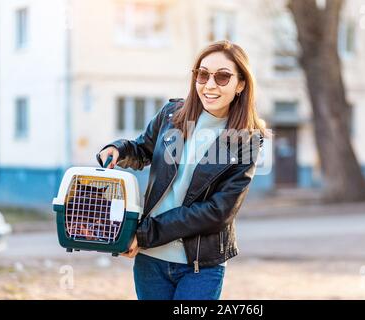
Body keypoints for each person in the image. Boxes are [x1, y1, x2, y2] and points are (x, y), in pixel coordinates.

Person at [97, 40, 268, 300]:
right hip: (150, 261)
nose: (210, 85)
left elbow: (218, 211)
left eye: (222, 77)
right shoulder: (172, 115)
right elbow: (143, 149)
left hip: (201, 266)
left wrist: (144, 235)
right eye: (203, 74)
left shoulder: (247, 140)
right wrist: (120, 149)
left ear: (241, 84)